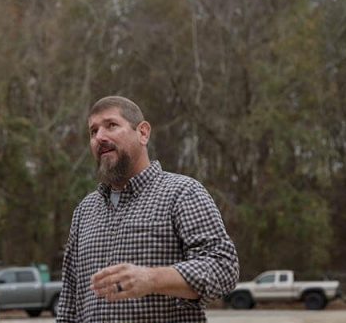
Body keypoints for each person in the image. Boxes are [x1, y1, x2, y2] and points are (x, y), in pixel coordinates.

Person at [56, 96, 239, 323]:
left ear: (143, 132)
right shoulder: (85, 211)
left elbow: (223, 268)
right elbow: (69, 304)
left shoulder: (182, 193)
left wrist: (152, 279)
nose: (99, 137)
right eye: (93, 131)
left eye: (111, 125)